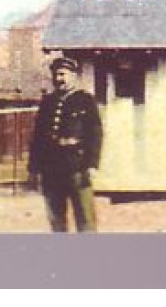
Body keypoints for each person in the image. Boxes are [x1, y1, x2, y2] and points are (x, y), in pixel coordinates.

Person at [27, 56, 103, 232]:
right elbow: (37, 138)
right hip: (51, 169)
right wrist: (34, 168)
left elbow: (95, 134)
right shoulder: (47, 102)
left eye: (63, 74)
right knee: (56, 219)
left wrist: (92, 164)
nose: (58, 79)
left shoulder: (86, 100)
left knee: (85, 219)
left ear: (73, 76)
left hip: (77, 167)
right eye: (55, 75)